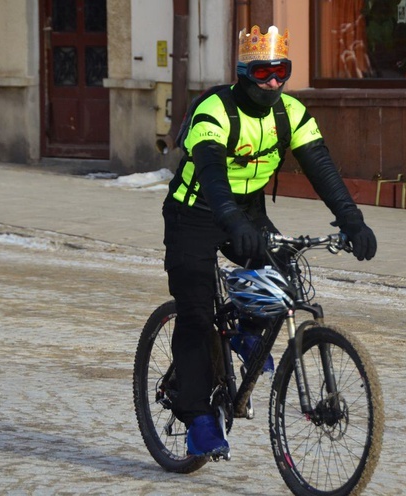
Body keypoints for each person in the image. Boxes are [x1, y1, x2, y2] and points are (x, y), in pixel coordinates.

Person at [162, 25, 377, 457]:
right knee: (198, 315)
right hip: (196, 213)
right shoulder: (214, 110)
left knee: (282, 279)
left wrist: (352, 220)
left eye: (282, 71)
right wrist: (230, 220)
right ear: (244, 72)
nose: (275, 82)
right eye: (264, 73)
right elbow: (211, 174)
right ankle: (199, 419)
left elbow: (321, 167)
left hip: (247, 213)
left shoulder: (290, 112)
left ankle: (246, 332)